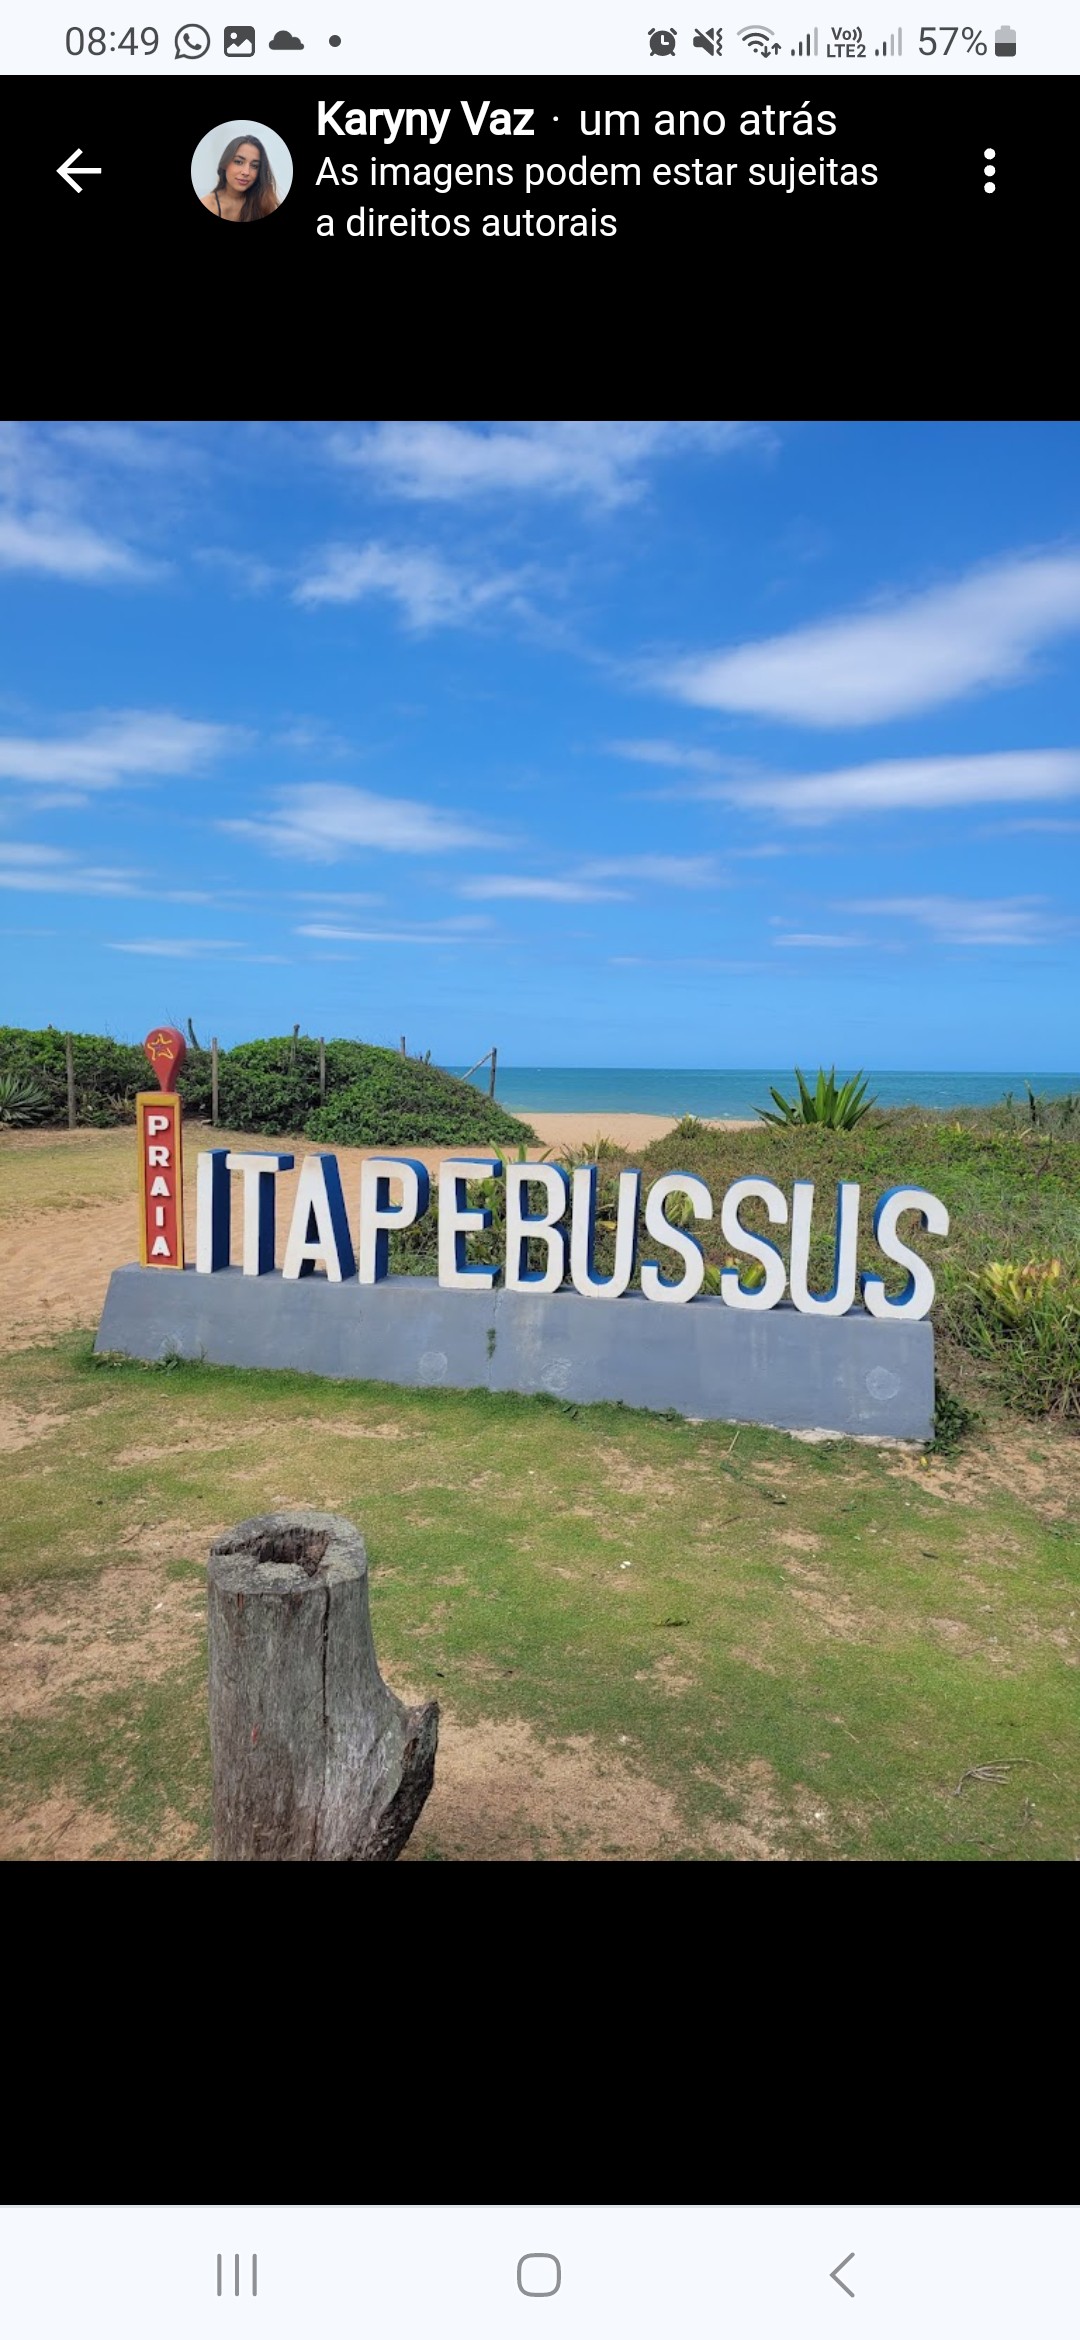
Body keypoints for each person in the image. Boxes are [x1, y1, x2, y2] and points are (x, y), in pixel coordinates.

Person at [201, 134, 279, 220]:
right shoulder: (207, 205)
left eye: (254, 166)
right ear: (225, 163)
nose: (246, 172)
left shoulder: (264, 203)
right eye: (238, 162)